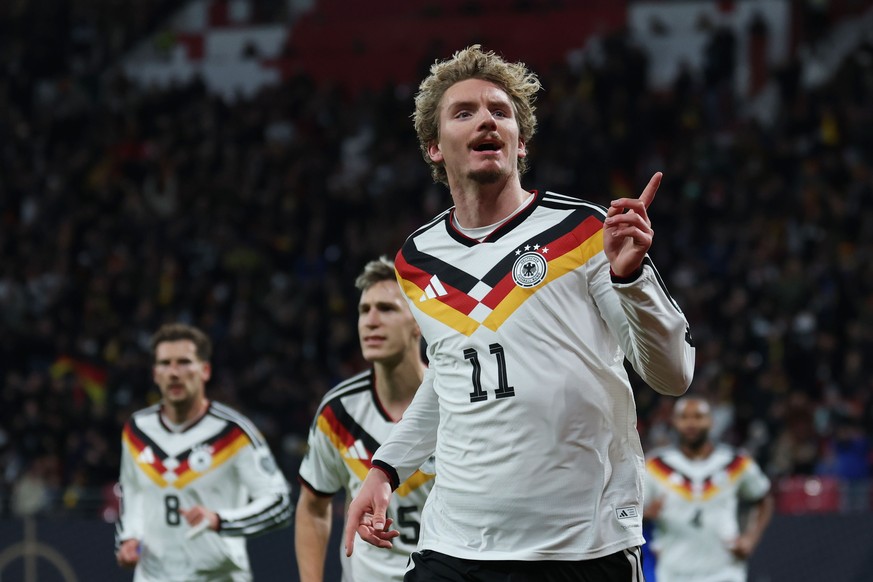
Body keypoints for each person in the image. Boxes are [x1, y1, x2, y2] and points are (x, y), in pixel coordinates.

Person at [343, 45, 696, 581]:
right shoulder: (415, 260)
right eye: (465, 112)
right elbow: (449, 376)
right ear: (435, 148)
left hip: (580, 548)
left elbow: (673, 376)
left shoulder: (583, 231)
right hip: (454, 547)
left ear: (520, 141)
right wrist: (386, 468)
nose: (486, 118)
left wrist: (632, 280)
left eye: (500, 111)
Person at [115, 323, 293, 582]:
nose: (174, 372)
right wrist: (130, 537)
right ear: (155, 373)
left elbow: (280, 503)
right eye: (165, 364)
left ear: (205, 370)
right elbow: (131, 492)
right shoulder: (136, 430)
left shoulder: (234, 433)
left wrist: (221, 520)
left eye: (184, 362)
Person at [296, 257, 434, 582]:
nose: (370, 321)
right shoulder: (338, 412)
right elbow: (313, 507)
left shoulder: (456, 399)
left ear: (419, 322)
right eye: (364, 310)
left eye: (386, 309)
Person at [644, 396, 773, 582]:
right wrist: (646, 516)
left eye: (698, 416)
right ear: (674, 422)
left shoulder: (735, 462)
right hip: (674, 573)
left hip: (725, 572)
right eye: (684, 417)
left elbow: (764, 499)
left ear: (711, 421)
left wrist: (750, 538)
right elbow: (634, 512)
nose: (691, 423)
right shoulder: (655, 465)